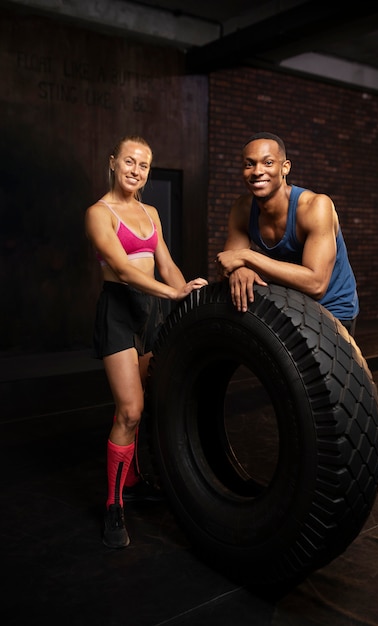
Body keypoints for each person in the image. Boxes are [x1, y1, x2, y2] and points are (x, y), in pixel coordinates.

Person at [85, 135, 207, 549]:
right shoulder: (98, 213)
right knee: (130, 410)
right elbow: (120, 269)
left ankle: (134, 481)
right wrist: (169, 293)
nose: (136, 171)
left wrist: (192, 293)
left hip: (149, 311)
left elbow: (167, 265)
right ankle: (113, 504)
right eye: (130, 162)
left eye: (144, 166)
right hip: (119, 311)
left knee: (149, 401)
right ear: (114, 161)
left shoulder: (150, 211)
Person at [216, 132, 359, 335]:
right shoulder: (242, 209)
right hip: (291, 303)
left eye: (268, 163)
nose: (257, 171)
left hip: (333, 307)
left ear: (285, 167)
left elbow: (316, 284)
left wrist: (247, 257)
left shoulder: (315, 206)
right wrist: (240, 269)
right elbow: (228, 262)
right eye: (249, 164)